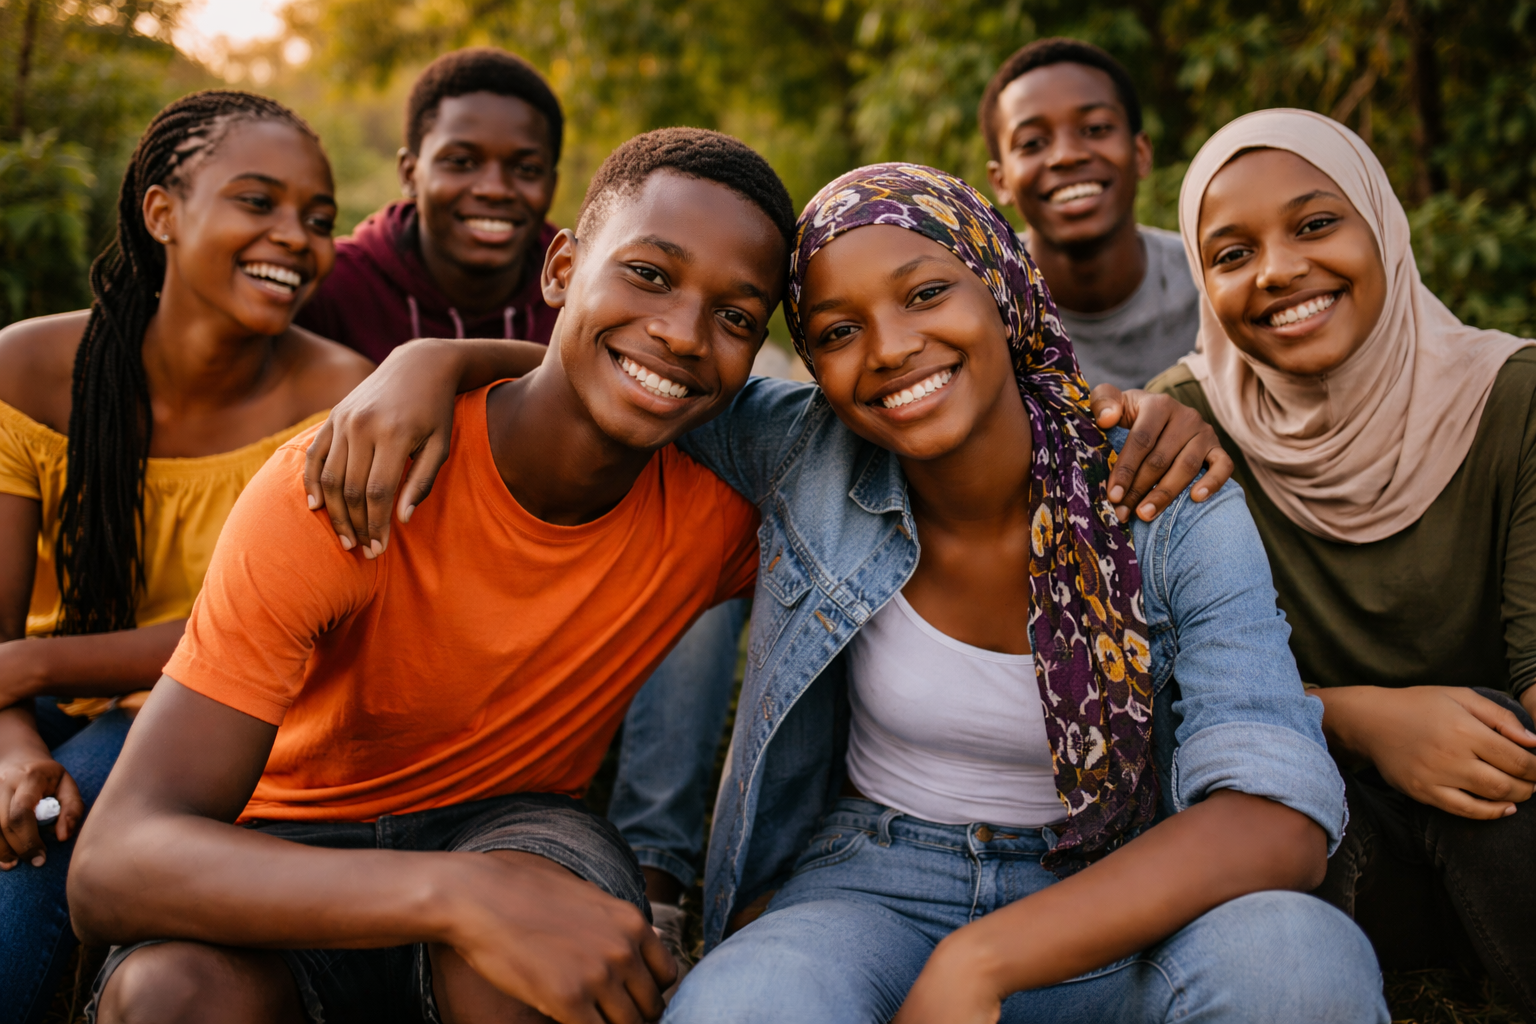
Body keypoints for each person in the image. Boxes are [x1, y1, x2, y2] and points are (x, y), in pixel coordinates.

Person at [301, 166, 1378, 1023]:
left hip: (1132, 889)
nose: (892, 349)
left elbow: (1275, 819)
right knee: (738, 1008)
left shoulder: (1160, 491)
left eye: (923, 294)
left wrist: (983, 961)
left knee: (1299, 964)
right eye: (837, 331)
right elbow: (615, 365)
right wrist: (426, 364)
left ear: (999, 288)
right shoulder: (806, 451)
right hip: (874, 885)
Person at [69, 127, 795, 1024]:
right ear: (561, 267)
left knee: (535, 960)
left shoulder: (719, 510)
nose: (683, 333)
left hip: (516, 822)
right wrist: (458, 895)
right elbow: (114, 865)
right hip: (290, 845)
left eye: (735, 317)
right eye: (648, 273)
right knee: (169, 996)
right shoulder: (351, 480)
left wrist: (443, 353)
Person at [1136, 109, 1536, 1014]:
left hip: (1504, 805)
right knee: (1255, 801)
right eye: (1232, 254)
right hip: (1317, 834)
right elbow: (1162, 708)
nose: (1279, 270)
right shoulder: (1186, 430)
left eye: (1317, 224)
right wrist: (1363, 721)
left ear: (1382, 229)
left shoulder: (1513, 399)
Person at [0, 91, 375, 1024]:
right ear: (162, 212)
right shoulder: (30, 368)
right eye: (259, 202)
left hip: (199, 717)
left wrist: (33, 667)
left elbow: (259, 632)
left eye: (319, 220)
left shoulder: (340, 399)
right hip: (22, 699)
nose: (296, 237)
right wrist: (9, 740)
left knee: (43, 851)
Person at [294, 47, 563, 359]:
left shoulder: (582, 297)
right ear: (410, 173)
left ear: (551, 186)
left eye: (526, 169)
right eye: (461, 161)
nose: (495, 190)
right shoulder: (331, 288)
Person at [981, 38, 1199, 390]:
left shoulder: (1211, 287)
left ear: (1141, 152)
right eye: (1032, 142)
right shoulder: (982, 313)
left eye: (1096, 128)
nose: (1066, 156)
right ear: (1001, 180)